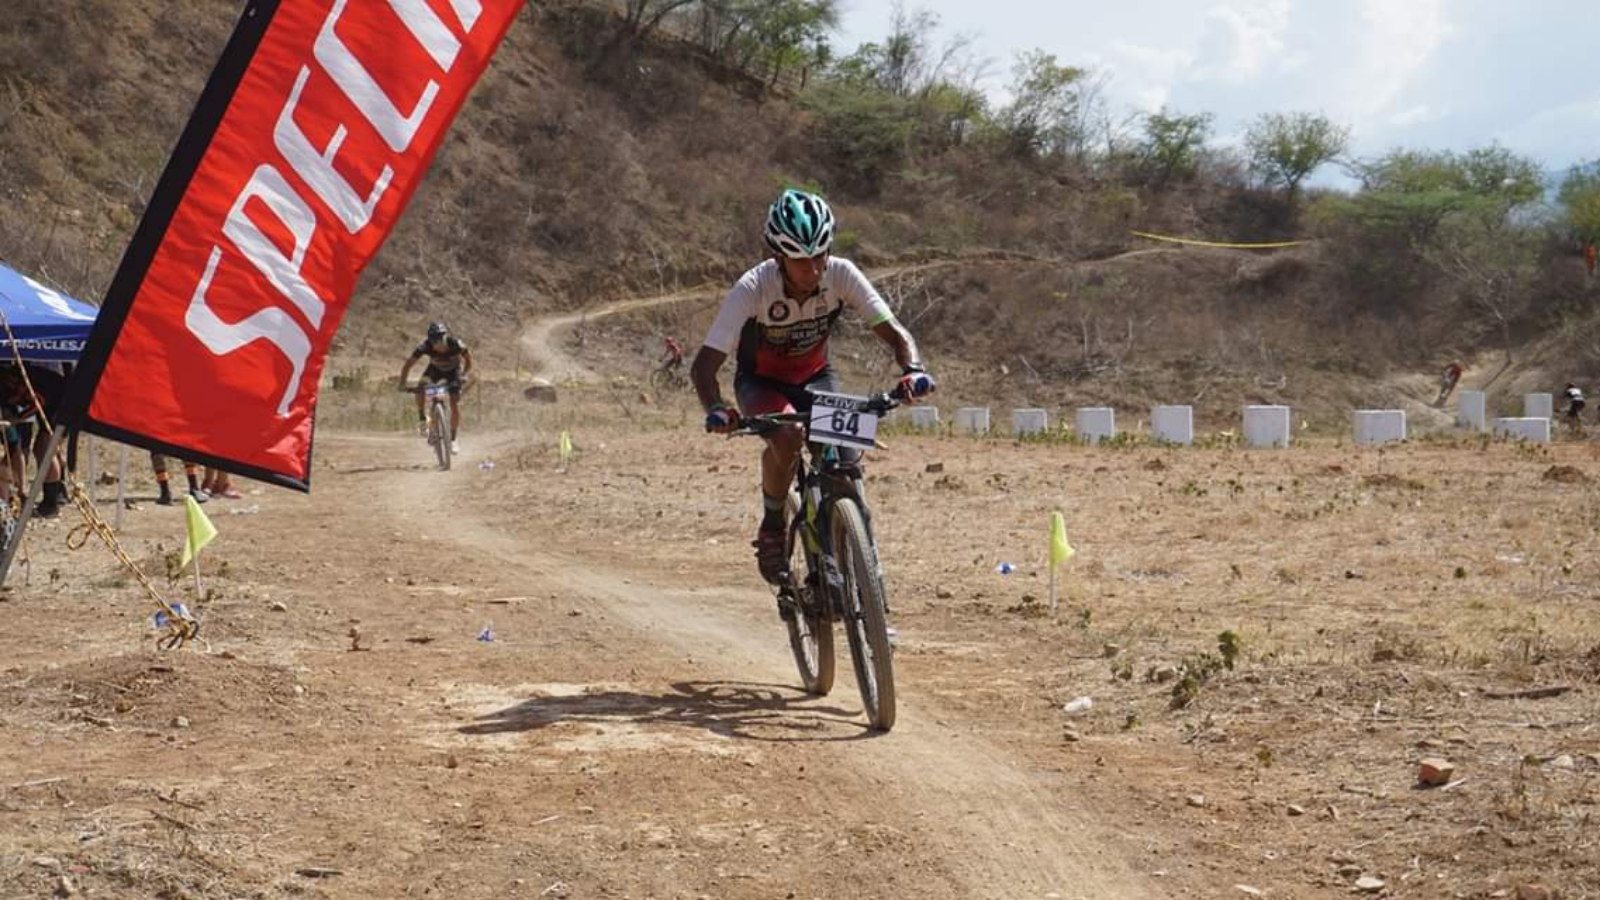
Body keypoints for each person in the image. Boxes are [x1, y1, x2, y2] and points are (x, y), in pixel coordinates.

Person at [692, 188, 936, 585]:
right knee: (787, 436)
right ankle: (773, 524)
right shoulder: (752, 288)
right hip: (761, 384)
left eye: (820, 255)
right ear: (779, 257)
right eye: (801, 260)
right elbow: (704, 367)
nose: (814, 269)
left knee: (844, 460)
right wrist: (716, 408)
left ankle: (854, 562)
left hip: (816, 379)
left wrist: (913, 369)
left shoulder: (842, 274)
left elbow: (895, 334)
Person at [399, 322, 472, 454]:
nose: (437, 346)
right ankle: (422, 419)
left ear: (445, 338)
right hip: (434, 371)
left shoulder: (456, 344)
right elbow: (408, 365)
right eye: (434, 343)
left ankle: (454, 439)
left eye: (439, 342)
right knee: (421, 387)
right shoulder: (424, 346)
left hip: (453, 372)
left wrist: (464, 375)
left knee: (454, 403)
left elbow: (468, 360)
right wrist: (402, 384)